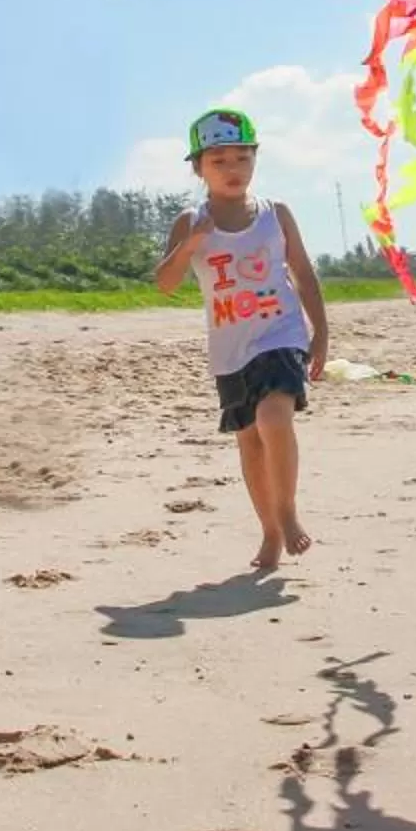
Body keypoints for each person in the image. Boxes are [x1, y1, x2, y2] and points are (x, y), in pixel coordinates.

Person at [154, 107, 329, 572]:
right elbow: (165, 283)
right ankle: (270, 532)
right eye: (219, 161)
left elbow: (304, 274)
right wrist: (191, 244)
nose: (232, 170)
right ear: (198, 168)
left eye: (241, 159)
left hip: (281, 333)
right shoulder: (190, 220)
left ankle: (288, 512)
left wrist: (322, 332)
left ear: (254, 161)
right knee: (250, 440)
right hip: (230, 347)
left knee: (274, 418)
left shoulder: (277, 214)